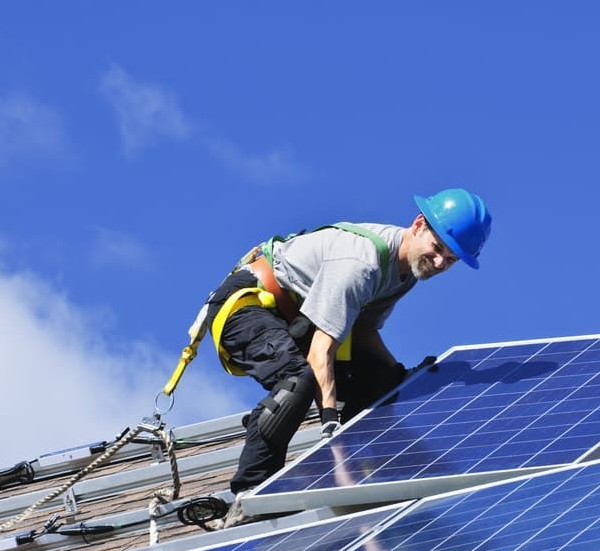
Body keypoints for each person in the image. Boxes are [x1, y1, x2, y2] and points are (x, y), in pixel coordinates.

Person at [203, 188, 491, 526]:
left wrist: (398, 375)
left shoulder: (404, 274)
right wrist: (329, 422)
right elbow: (320, 351)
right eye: (438, 248)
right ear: (418, 225)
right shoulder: (362, 264)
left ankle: (371, 472)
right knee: (299, 381)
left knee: (382, 383)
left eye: (451, 259)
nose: (440, 262)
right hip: (246, 306)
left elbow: (365, 331)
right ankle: (250, 495)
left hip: (296, 320)